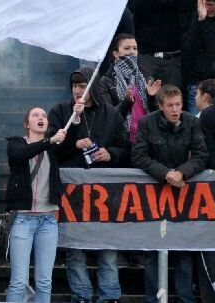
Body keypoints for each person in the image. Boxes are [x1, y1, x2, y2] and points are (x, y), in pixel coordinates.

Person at [47, 66, 129, 303]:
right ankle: (81, 295)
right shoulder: (61, 111)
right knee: (76, 249)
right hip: (72, 193)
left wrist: (110, 153)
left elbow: (127, 149)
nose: (78, 91)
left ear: (92, 87)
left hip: (105, 193)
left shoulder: (112, 114)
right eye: (75, 86)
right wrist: (73, 139)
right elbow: (51, 148)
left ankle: (110, 295)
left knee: (108, 248)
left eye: (83, 86)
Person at [132, 85, 208, 303]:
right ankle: (153, 299)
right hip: (154, 194)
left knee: (184, 251)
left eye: (178, 105)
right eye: (170, 106)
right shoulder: (147, 123)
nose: (175, 110)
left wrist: (181, 173)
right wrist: (166, 174)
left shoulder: (192, 122)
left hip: (184, 194)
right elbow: (138, 156)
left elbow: (202, 155)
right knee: (153, 252)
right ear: (160, 106)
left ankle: (185, 298)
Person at [4, 107, 66, 303]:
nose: (41, 118)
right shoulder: (16, 143)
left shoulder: (54, 147)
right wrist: (49, 141)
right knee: (19, 281)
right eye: (35, 115)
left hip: (48, 220)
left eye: (44, 116)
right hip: (23, 219)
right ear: (26, 124)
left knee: (45, 281)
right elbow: (20, 154)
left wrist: (78, 117)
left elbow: (71, 145)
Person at [128, 0, 194, 89]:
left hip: (172, 58)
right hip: (147, 58)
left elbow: (187, 4)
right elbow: (137, 8)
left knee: (172, 101)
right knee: (145, 101)